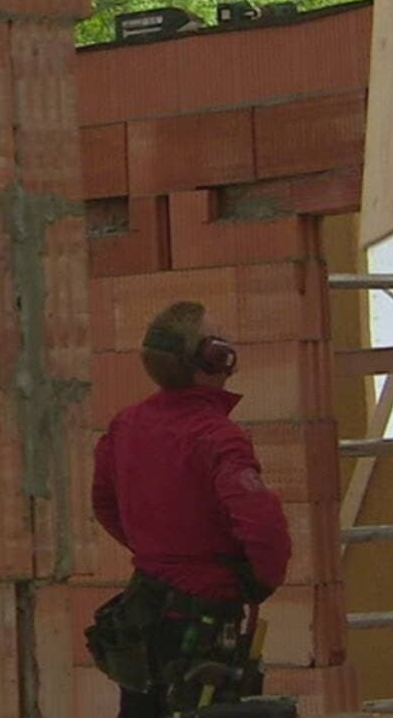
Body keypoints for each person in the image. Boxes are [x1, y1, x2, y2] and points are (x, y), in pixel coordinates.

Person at [87, 301, 293, 718]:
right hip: (202, 620)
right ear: (211, 358)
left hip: (143, 611)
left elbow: (105, 504)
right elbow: (263, 524)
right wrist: (258, 579)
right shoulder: (218, 437)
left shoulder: (127, 424)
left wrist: (157, 551)